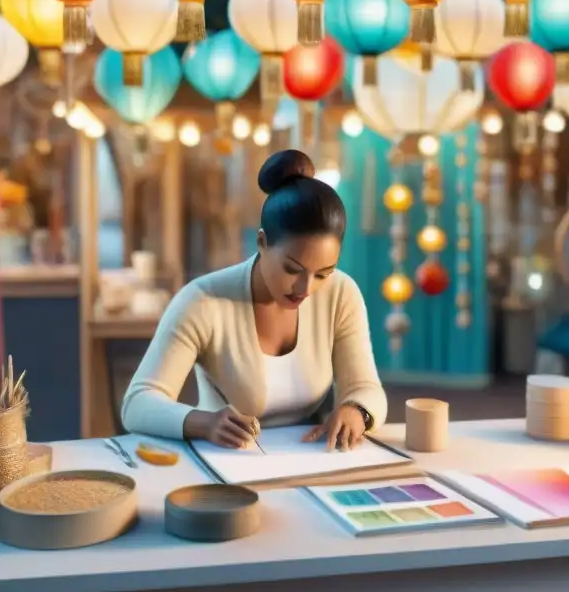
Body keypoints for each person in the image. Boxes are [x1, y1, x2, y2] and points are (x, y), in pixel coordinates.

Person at [121, 149, 387, 451]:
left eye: (323, 273)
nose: (306, 288)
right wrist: (204, 423)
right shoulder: (204, 301)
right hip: (226, 464)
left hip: (311, 459)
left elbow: (366, 388)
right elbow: (138, 403)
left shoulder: (340, 293)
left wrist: (357, 411)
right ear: (261, 242)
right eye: (292, 269)